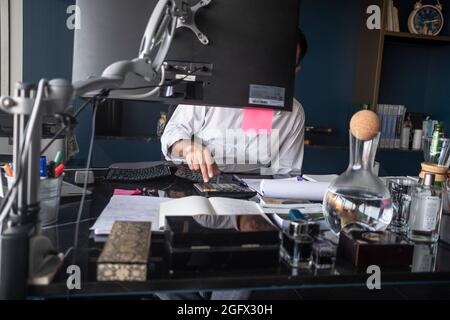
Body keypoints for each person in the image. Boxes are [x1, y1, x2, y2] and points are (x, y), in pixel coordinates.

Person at [161, 29, 308, 182]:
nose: (273, 67)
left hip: (253, 189)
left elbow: (286, 175)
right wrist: (189, 148)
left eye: (285, 63)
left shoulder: (294, 112)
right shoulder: (209, 89)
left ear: (295, 70)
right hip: (194, 178)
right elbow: (172, 135)